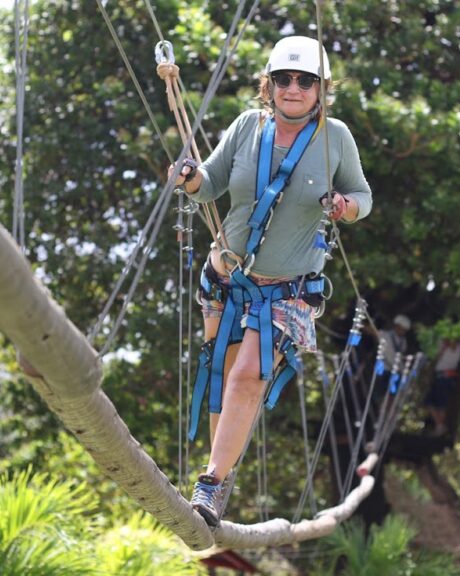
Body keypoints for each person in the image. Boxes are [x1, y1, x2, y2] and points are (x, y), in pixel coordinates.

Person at [169, 35, 372, 527]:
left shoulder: (334, 137)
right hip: (227, 278)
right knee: (222, 376)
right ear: (270, 85)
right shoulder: (247, 127)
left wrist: (344, 208)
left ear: (322, 89)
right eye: (284, 79)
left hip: (288, 289)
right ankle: (221, 471)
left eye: (306, 81)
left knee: (247, 377)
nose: (294, 88)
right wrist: (189, 177)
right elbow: (210, 186)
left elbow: (362, 196)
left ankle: (211, 483)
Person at [424, 338, 460, 436]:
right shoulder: (442, 344)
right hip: (438, 376)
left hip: (446, 377)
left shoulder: (457, 348)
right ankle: (440, 425)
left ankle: (440, 426)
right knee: (430, 402)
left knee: (441, 404)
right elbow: (435, 357)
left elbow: (453, 347)